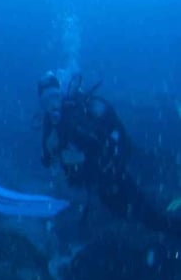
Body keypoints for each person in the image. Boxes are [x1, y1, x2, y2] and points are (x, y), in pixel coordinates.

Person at [38, 70, 181, 236]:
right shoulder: (49, 124)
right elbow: (47, 159)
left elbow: (107, 141)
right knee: (132, 214)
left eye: (54, 96)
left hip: (117, 167)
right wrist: (52, 152)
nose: (52, 104)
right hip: (100, 182)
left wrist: (83, 157)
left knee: (150, 210)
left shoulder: (79, 111)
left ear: (61, 94)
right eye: (46, 100)